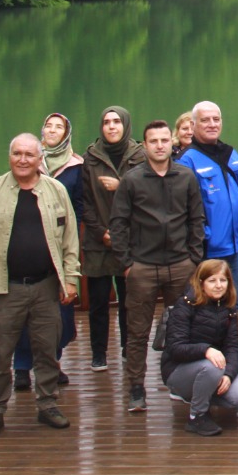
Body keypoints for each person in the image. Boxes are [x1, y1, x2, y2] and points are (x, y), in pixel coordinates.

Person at [0, 133, 81, 438]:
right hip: (5, 289)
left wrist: (70, 279)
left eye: (29, 154)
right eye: (17, 153)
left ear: (40, 158)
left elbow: (70, 238)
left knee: (47, 350)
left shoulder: (55, 190)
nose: (23, 160)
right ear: (10, 156)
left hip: (45, 287)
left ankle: (47, 404)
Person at [110, 119, 205, 414]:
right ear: (145, 144)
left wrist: (194, 257)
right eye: (154, 141)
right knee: (137, 331)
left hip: (180, 264)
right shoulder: (132, 179)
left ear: (171, 142)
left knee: (186, 327)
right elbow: (119, 223)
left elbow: (196, 219)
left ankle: (183, 382)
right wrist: (127, 264)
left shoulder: (186, 176)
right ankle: (136, 387)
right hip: (143, 266)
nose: (160, 145)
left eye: (165, 140)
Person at [13, 112, 83, 391]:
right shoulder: (28, 162)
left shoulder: (76, 167)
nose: (52, 131)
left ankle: (53, 362)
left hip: (59, 246)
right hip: (28, 245)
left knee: (58, 311)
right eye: (48, 126)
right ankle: (21, 367)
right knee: (23, 313)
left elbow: (78, 206)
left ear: (66, 134)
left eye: (59, 127)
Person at [78, 106, 145, 372]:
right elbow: (86, 201)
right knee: (98, 303)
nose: (111, 127)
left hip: (129, 239)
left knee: (130, 300)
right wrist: (100, 231)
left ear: (126, 124)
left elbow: (146, 196)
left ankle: (129, 348)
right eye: (106, 122)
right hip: (98, 242)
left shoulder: (140, 156)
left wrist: (120, 233)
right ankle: (99, 353)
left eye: (117, 122)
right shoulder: (91, 157)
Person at [161, 258, 238, 436]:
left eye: (223, 280)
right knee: (213, 366)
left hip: (213, 368)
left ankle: (201, 396)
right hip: (178, 369)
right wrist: (205, 350)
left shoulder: (229, 308)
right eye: (212, 281)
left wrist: (229, 375)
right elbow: (175, 348)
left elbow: (233, 347)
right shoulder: (185, 305)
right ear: (201, 282)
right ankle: (197, 416)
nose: (218, 285)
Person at [175, 101, 238, 307]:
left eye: (216, 119)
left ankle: (231, 340)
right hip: (206, 250)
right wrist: (201, 239)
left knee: (233, 304)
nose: (212, 124)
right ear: (193, 125)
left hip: (234, 248)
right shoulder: (187, 160)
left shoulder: (231, 154)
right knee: (204, 305)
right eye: (205, 120)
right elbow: (185, 209)